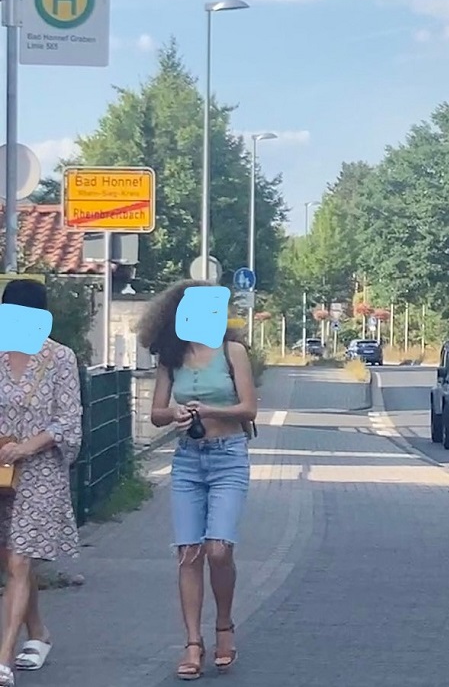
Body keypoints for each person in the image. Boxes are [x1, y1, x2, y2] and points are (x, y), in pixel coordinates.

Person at [136, 280, 257, 681]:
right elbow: (156, 413)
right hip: (188, 460)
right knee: (189, 553)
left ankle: (224, 625)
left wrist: (209, 409)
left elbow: (249, 409)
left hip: (228, 458)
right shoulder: (172, 357)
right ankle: (192, 642)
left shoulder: (232, 351)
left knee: (219, 549)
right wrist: (176, 415)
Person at [0, 279, 83, 685]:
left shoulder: (60, 359)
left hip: (40, 469)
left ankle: (4, 658)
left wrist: (28, 447)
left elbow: (69, 419)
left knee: (20, 558)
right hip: (0, 469)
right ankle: (39, 632)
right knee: (10, 556)